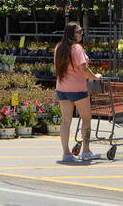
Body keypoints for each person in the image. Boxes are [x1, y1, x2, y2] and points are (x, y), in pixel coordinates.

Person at [54, 21, 102, 162]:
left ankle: (66, 153)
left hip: (62, 88)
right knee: (86, 119)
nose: (82, 34)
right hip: (78, 89)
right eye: (79, 31)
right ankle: (86, 151)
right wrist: (95, 77)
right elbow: (83, 69)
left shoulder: (59, 47)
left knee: (66, 121)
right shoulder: (77, 48)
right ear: (72, 34)